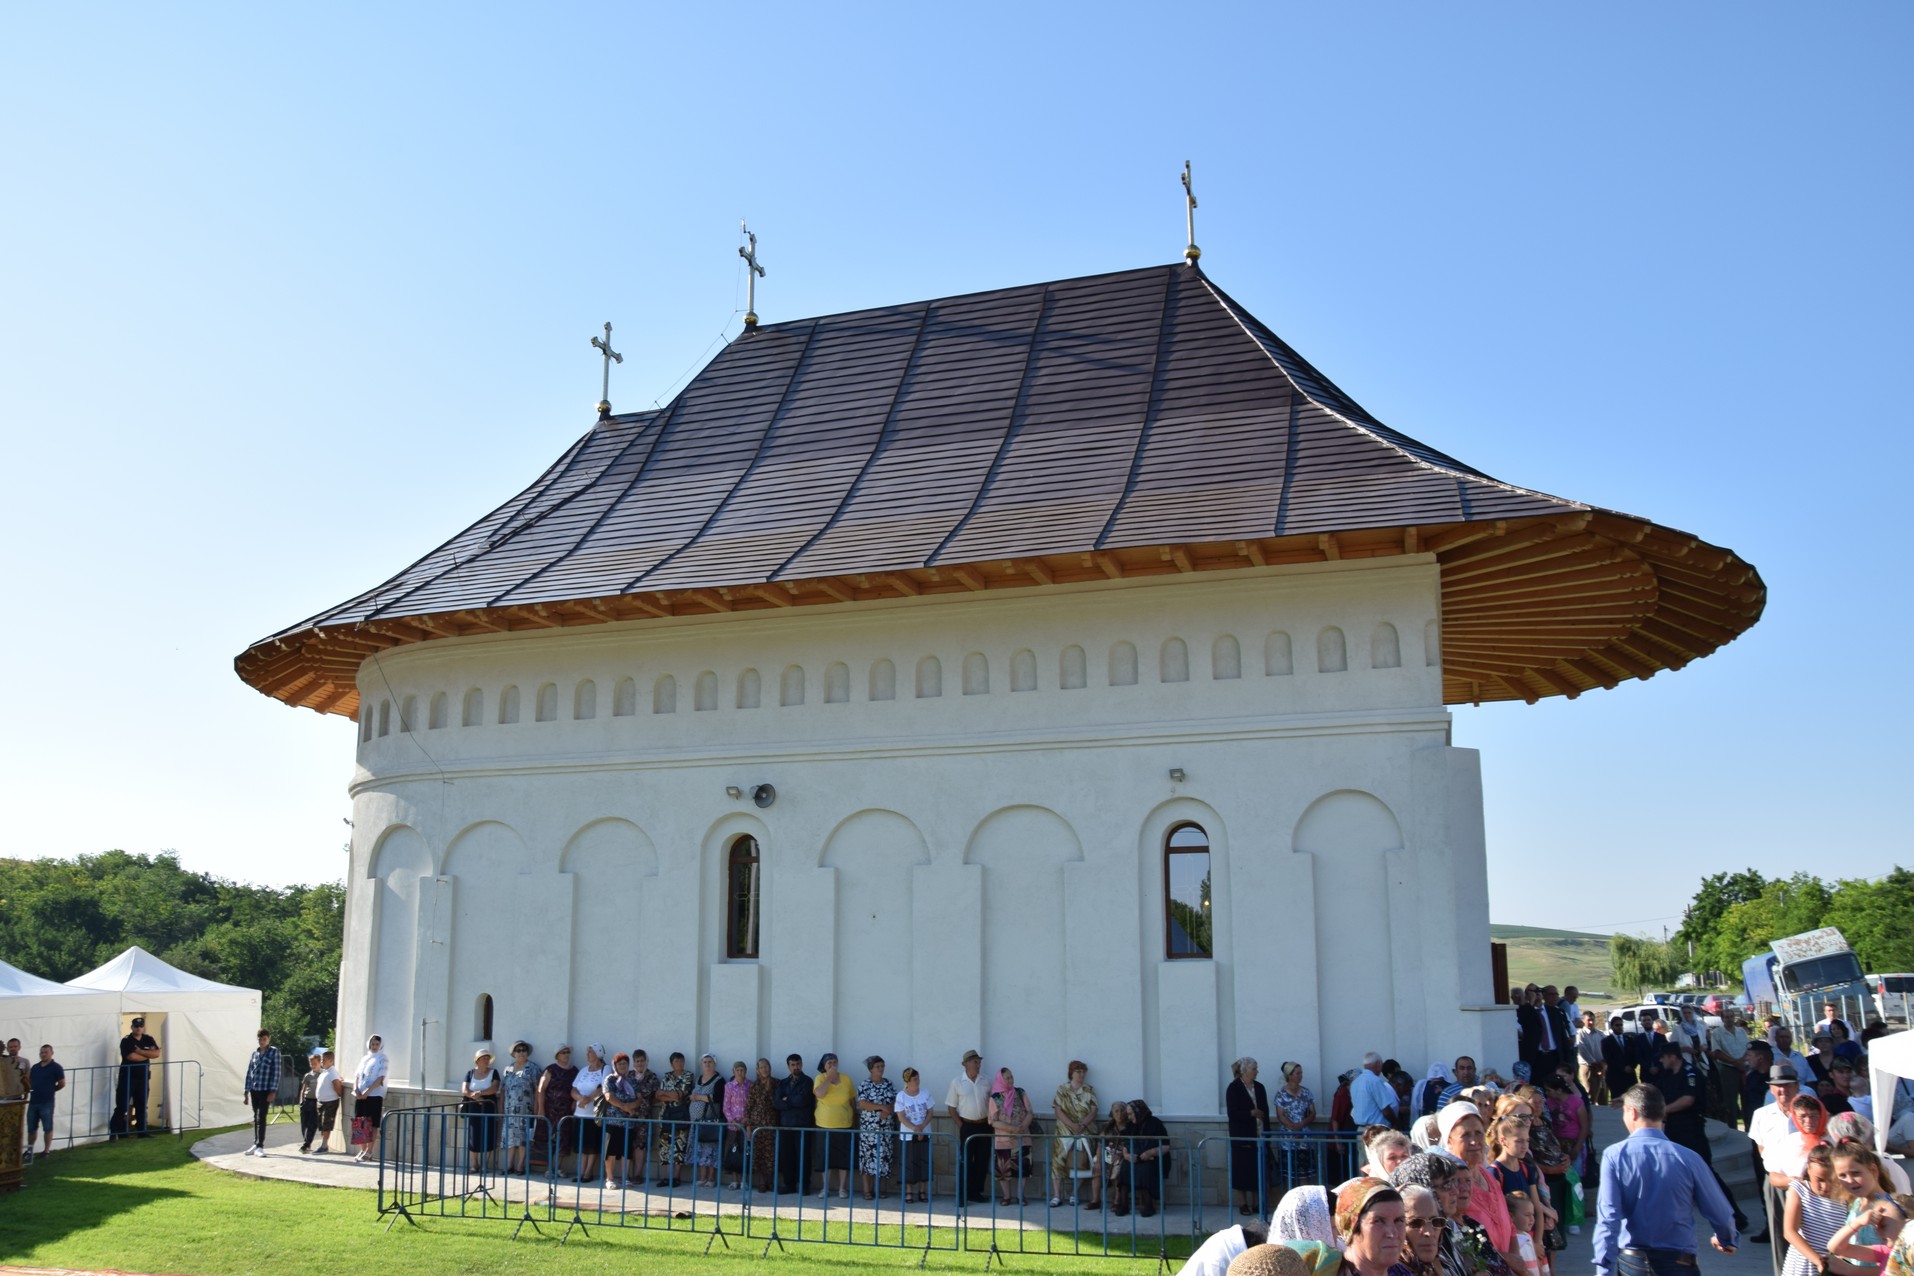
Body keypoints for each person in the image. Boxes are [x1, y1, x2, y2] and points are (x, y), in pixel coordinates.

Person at [1590, 1083, 1738, 1276]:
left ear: (1632, 1112)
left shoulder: (1615, 1155)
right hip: (1679, 1262)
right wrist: (1727, 1238)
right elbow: (1719, 1210)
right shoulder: (1689, 1158)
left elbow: (1608, 1218)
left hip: (1632, 1263)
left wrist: (1604, 1270)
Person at [1783, 1145, 1854, 1276]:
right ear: (1808, 1169)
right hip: (1804, 1264)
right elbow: (1789, 1232)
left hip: (1832, 1265)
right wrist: (1818, 1261)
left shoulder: (1844, 1198)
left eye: (1831, 1180)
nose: (1825, 1186)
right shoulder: (1800, 1190)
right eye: (1820, 1180)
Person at [1050, 1059, 1101, 1210]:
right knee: (1058, 1160)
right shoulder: (1062, 1089)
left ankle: (1074, 1194)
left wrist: (1083, 1124)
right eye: (1078, 1071)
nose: (1081, 1074)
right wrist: (1072, 1125)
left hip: (1085, 1131)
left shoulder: (1089, 1090)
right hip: (1064, 1131)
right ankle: (1057, 1195)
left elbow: (1094, 1110)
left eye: (1083, 1072)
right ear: (1071, 1073)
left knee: (1083, 1162)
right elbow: (1058, 1110)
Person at [1335, 1177, 1410, 1276]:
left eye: (1399, 1220)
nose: (1392, 1233)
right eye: (1378, 1221)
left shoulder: (1400, 1272)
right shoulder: (1331, 1273)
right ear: (1352, 1226)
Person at [945, 1048, 991, 1204]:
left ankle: (975, 1192)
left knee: (982, 1160)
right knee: (965, 1160)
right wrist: (961, 1125)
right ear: (965, 1064)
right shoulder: (957, 1082)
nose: (978, 1065)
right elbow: (951, 1107)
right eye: (975, 1062)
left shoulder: (986, 1080)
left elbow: (993, 1102)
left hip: (984, 1125)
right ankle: (962, 1194)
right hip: (967, 1125)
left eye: (979, 1062)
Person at [1227, 1056, 1272, 1216]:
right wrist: (1251, 1113)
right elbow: (1232, 1113)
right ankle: (1242, 1203)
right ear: (1244, 1071)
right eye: (1254, 1069)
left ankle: (1257, 1203)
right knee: (1242, 1171)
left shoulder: (1259, 1087)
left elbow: (1265, 1111)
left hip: (1259, 1136)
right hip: (1242, 1137)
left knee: (1257, 1171)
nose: (1256, 1071)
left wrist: (1267, 1134)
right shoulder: (1234, 1088)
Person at [813, 1052, 855, 1200]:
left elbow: (852, 1099)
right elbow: (819, 1093)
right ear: (824, 1066)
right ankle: (825, 1188)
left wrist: (853, 1118)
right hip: (824, 1124)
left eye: (834, 1062)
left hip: (844, 1124)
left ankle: (842, 1188)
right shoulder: (820, 1078)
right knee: (825, 1158)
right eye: (829, 1063)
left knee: (843, 1158)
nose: (832, 1065)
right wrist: (829, 1078)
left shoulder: (846, 1079)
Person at [988, 1066, 1032, 1206]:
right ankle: (1006, 1196)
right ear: (1001, 1080)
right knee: (1003, 1169)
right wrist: (1012, 1129)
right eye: (1007, 1078)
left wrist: (1022, 1127)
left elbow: (1029, 1112)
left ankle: (1020, 1196)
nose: (1010, 1080)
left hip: (1022, 1138)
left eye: (1011, 1077)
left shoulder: (1020, 1092)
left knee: (1023, 1168)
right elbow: (993, 1121)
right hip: (1003, 1140)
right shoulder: (995, 1098)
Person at [855, 1055, 897, 1200]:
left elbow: (895, 1101)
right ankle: (867, 1190)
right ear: (871, 1069)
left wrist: (888, 1110)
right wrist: (881, 1107)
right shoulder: (865, 1084)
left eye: (882, 1066)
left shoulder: (889, 1084)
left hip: (886, 1128)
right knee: (868, 1157)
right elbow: (863, 1103)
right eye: (877, 1067)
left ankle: (880, 1189)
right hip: (869, 1129)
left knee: (883, 1157)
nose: (881, 1069)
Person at [599, 1051, 643, 1189]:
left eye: (625, 1063)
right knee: (611, 1151)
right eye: (620, 1064)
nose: (623, 1066)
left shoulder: (633, 1080)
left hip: (628, 1122)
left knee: (626, 1151)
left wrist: (631, 1107)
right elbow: (609, 1097)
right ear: (615, 1065)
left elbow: (639, 1098)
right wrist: (625, 1107)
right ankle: (610, 1179)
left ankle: (625, 1178)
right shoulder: (610, 1079)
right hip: (613, 1121)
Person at [774, 1052, 815, 1196]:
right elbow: (777, 1103)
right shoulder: (783, 1083)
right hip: (786, 1124)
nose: (796, 1067)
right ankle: (789, 1185)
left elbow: (803, 1100)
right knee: (787, 1156)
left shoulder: (807, 1081)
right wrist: (790, 1101)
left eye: (798, 1064)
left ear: (801, 1064)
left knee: (803, 1156)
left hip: (802, 1124)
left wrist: (787, 1100)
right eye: (793, 1065)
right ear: (788, 1066)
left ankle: (804, 1185)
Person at [1273, 1062, 1319, 1189]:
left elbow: (1312, 1113)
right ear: (1289, 1075)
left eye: (1301, 1073)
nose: (1300, 1076)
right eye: (1297, 1073)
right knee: (1289, 1174)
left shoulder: (1306, 1092)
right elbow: (1280, 1115)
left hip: (1304, 1139)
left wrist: (1302, 1124)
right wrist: (1293, 1128)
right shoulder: (1281, 1094)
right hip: (1288, 1140)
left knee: (1304, 1173)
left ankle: (1305, 1199)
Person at [113, 1015, 160, 1139]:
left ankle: (142, 1131)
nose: (138, 1028)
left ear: (144, 1027)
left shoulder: (148, 1039)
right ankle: (115, 1131)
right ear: (132, 1027)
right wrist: (148, 1054)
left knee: (141, 1105)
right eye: (136, 1026)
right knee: (122, 1105)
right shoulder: (126, 1040)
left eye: (141, 1026)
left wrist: (140, 1051)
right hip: (128, 1077)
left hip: (143, 1077)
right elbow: (131, 1057)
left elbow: (156, 1053)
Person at [654, 1051, 694, 1188]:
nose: (679, 1063)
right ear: (671, 1063)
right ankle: (666, 1177)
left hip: (681, 1115)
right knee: (665, 1146)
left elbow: (681, 1095)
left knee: (679, 1145)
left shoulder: (688, 1076)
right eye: (676, 1061)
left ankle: (676, 1177)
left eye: (681, 1061)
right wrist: (671, 1095)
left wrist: (666, 1094)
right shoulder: (666, 1077)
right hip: (666, 1115)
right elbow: (658, 1096)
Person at [1707, 1006, 1753, 1127]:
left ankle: (1749, 1128)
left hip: (1744, 1068)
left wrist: (1742, 1061)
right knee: (1730, 1102)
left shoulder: (1741, 1031)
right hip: (1728, 1069)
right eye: (1726, 1017)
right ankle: (1732, 1128)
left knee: (1747, 1099)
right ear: (1722, 1019)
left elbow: (1748, 1048)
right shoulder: (1717, 1033)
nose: (1729, 1019)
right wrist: (1735, 1062)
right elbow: (1717, 1053)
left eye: (1731, 1016)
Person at [500, 1040, 539, 1176]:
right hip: (509, 1111)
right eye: (518, 1050)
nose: (521, 1053)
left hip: (526, 1110)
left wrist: (537, 1108)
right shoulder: (508, 1069)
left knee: (523, 1139)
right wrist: (500, 1109)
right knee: (510, 1138)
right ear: (514, 1053)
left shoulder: (533, 1068)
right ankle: (509, 1165)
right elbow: (503, 1090)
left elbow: (538, 1090)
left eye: (524, 1050)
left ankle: (520, 1165)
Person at [537, 1045, 579, 1175]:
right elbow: (541, 1089)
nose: (566, 1055)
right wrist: (541, 1108)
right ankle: (549, 1168)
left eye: (567, 1052)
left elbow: (577, 1088)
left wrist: (575, 1102)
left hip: (566, 1111)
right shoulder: (550, 1069)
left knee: (564, 1139)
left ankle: (558, 1168)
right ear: (557, 1056)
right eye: (563, 1052)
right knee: (550, 1139)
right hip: (550, 1110)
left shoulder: (574, 1071)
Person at [895, 1066, 934, 1203]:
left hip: (924, 1132)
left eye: (918, 1079)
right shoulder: (901, 1096)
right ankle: (909, 1191)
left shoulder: (925, 1093)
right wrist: (914, 1128)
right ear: (908, 1081)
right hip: (908, 1135)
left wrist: (922, 1127)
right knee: (909, 1163)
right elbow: (901, 1116)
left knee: (924, 1161)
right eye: (914, 1079)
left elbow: (930, 1112)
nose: (917, 1081)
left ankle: (922, 1191)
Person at [240, 1028, 280, 1157]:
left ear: (268, 1039)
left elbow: (276, 1072)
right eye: (260, 1039)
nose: (262, 1041)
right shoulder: (255, 1054)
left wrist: (273, 1091)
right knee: (256, 1117)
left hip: (266, 1090)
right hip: (254, 1089)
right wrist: (246, 1092)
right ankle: (256, 1143)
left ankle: (260, 1146)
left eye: (264, 1039)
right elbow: (249, 1072)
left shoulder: (274, 1052)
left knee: (261, 1117)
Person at [570, 1044, 608, 1183]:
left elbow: (603, 1088)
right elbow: (573, 1089)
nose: (588, 1054)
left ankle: (588, 1172)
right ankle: (581, 1172)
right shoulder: (583, 1070)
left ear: (598, 1054)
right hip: (580, 1113)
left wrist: (588, 1099)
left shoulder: (605, 1069)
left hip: (594, 1114)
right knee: (581, 1145)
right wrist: (580, 1099)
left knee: (591, 1145)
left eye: (590, 1052)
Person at [461, 1048, 500, 1173]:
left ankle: (485, 1164)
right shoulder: (470, 1073)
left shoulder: (494, 1072)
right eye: (483, 1058)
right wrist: (475, 1097)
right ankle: (475, 1163)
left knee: (489, 1133)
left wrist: (480, 1093)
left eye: (488, 1058)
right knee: (474, 1134)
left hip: (489, 1106)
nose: (486, 1060)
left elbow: (494, 1088)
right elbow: (464, 1089)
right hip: (474, 1106)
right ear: (477, 1061)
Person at [689, 1053, 725, 1188]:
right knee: (700, 1150)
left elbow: (717, 1098)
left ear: (714, 1064)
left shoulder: (719, 1080)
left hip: (710, 1122)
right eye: (705, 1062)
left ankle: (711, 1178)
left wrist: (698, 1097)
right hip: (696, 1122)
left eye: (710, 1062)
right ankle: (702, 1177)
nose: (707, 1064)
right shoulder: (698, 1079)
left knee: (711, 1151)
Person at [352, 1034, 389, 1164]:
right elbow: (357, 1076)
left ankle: (369, 1151)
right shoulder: (364, 1058)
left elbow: (380, 1078)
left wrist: (367, 1092)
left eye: (377, 1044)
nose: (374, 1046)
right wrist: (356, 1089)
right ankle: (362, 1150)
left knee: (372, 1124)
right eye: (372, 1044)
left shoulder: (383, 1058)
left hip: (374, 1095)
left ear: (380, 1045)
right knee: (360, 1122)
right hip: (360, 1095)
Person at [744, 1058, 778, 1193]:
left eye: (767, 1066)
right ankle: (762, 1182)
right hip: (756, 1125)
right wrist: (748, 1126)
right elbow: (749, 1106)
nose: (765, 1069)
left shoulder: (776, 1083)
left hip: (771, 1124)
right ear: (757, 1070)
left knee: (771, 1154)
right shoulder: (754, 1085)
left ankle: (771, 1182)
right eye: (762, 1067)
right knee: (759, 1155)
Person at [26, 1044, 64, 1161]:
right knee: (31, 1128)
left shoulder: (56, 1067)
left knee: (47, 1127)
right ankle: (30, 1150)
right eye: (41, 1052)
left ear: (51, 1053)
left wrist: (52, 1090)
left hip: (47, 1102)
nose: (43, 1054)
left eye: (45, 1052)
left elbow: (61, 1083)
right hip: (33, 1102)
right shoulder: (35, 1067)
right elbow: (29, 1080)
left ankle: (46, 1150)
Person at [722, 1059, 751, 1191]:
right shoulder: (729, 1086)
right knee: (733, 1152)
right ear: (733, 1072)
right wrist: (733, 1121)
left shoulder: (750, 1085)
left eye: (742, 1070)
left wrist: (746, 1120)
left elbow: (751, 1104)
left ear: (745, 1071)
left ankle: (744, 1180)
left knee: (745, 1152)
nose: (740, 1072)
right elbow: (726, 1106)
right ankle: (734, 1180)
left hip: (746, 1125)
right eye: (737, 1070)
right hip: (733, 1126)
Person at [1353, 1054, 1399, 1128]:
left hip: (1360, 1129)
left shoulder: (1355, 1082)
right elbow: (1386, 1110)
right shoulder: (1375, 1081)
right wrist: (1395, 1123)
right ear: (1378, 1064)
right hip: (1376, 1130)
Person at [1575, 1012, 1609, 1106]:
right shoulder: (1580, 1035)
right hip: (1589, 1068)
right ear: (1583, 1021)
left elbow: (1607, 1048)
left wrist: (1604, 1064)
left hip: (1602, 1068)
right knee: (1590, 1096)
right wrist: (1596, 1065)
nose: (1591, 1022)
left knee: (1603, 1097)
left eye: (1592, 1020)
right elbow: (1583, 1052)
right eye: (1588, 1020)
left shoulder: (1600, 1034)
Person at [1504, 1192, 1542, 1276]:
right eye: (1527, 1215)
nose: (1532, 1219)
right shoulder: (1513, 1241)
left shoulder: (1527, 1236)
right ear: (1511, 1217)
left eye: (1532, 1214)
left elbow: (1537, 1263)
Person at [313, 1049, 342, 1154]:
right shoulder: (325, 1072)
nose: (321, 1062)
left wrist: (339, 1093)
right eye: (321, 1060)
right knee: (321, 1124)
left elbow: (337, 1085)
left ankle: (324, 1146)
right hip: (321, 1102)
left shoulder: (332, 1072)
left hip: (330, 1102)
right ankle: (323, 1144)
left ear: (331, 1060)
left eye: (324, 1060)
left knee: (326, 1124)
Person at [297, 1048, 324, 1154]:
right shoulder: (308, 1075)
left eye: (315, 1064)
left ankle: (307, 1144)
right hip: (307, 1101)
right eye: (311, 1064)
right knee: (304, 1123)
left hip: (316, 1101)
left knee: (312, 1123)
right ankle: (306, 1141)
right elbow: (303, 1089)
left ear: (320, 1063)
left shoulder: (323, 1074)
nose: (313, 1066)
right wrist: (301, 1101)